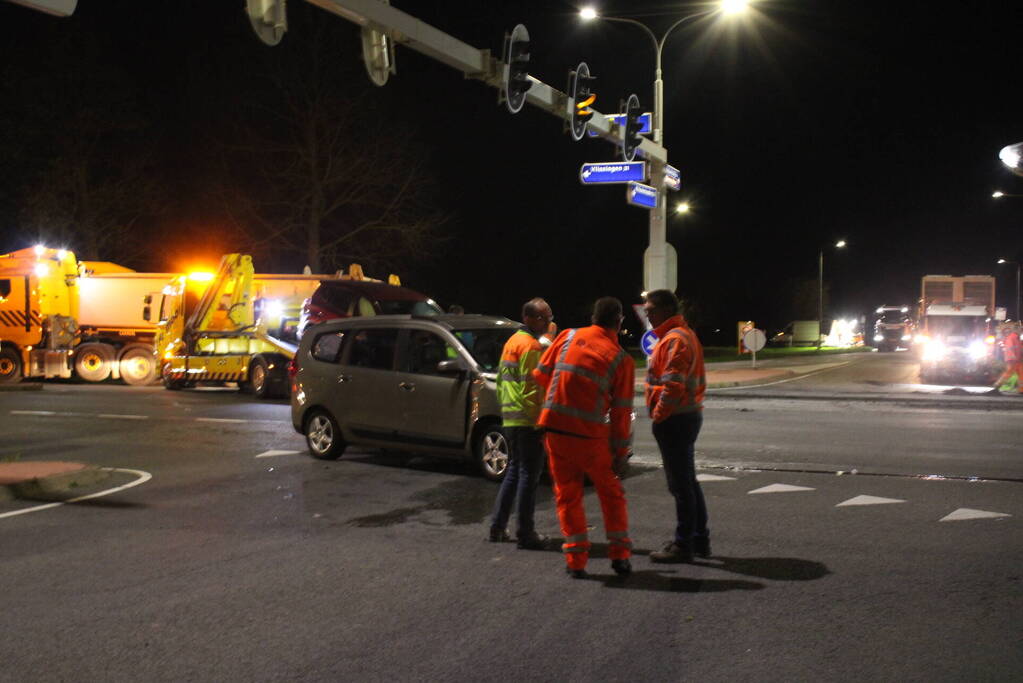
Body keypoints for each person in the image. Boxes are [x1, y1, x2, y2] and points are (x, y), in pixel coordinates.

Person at [533, 297, 635, 578]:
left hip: (555, 430)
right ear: (619, 321)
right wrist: (620, 454)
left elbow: (541, 375)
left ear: (593, 317)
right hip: (589, 437)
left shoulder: (567, 336)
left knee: (567, 495)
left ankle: (576, 561)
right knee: (611, 494)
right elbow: (621, 414)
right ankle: (620, 556)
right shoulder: (621, 359)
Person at [642, 289, 711, 563]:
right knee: (687, 483)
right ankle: (699, 540)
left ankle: (684, 545)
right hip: (683, 416)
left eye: (650, 309)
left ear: (665, 310)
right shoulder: (679, 335)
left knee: (680, 485)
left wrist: (659, 415)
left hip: (676, 419)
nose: (647, 314)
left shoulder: (675, 340)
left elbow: (672, 385)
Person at [488, 298, 555, 549]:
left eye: (549, 317)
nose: (549, 323)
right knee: (529, 475)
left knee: (515, 473)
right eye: (544, 318)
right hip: (528, 420)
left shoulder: (512, 342)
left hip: (511, 417)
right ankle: (526, 533)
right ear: (529, 318)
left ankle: (497, 527)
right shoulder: (529, 346)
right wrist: (541, 423)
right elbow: (533, 390)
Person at [993, 323, 1022, 394]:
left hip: (1017, 360)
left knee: (1021, 373)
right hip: (1012, 359)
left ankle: (1021, 389)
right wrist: (1013, 357)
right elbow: (1009, 348)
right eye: (1020, 329)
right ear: (1016, 330)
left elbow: (1019, 349)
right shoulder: (1012, 337)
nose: (1021, 331)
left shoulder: (1017, 338)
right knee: (1009, 372)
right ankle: (998, 384)